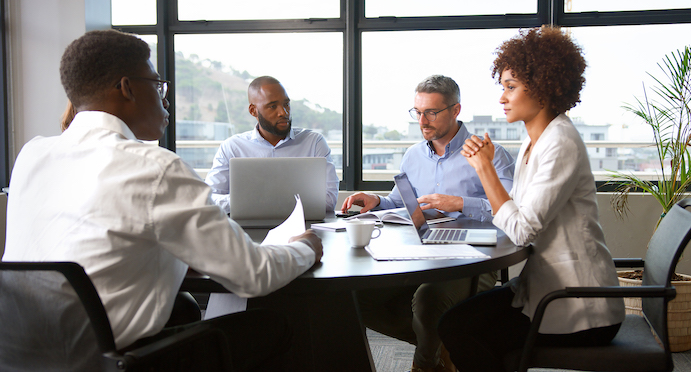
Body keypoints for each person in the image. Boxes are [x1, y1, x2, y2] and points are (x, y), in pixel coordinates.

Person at [3, 30, 323, 371]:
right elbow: (254, 275)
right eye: (158, 86)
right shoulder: (154, 166)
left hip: (21, 354)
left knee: (183, 306)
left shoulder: (32, 154)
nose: (165, 100)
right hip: (115, 361)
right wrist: (305, 247)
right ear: (127, 88)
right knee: (272, 326)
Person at [438, 26, 625, 372]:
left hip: (580, 307)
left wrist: (485, 171)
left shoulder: (561, 143)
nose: (502, 97)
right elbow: (518, 216)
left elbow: (522, 230)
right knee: (453, 323)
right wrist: (490, 168)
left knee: (462, 331)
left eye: (511, 87)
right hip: (542, 289)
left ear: (542, 88)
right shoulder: (532, 142)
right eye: (503, 87)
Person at [342, 75, 515, 372]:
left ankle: (425, 364)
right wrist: (375, 200)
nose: (422, 120)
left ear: (456, 110)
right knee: (356, 296)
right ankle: (442, 344)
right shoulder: (413, 155)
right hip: (418, 252)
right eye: (417, 112)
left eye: (431, 112)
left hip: (473, 257)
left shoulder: (491, 154)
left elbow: (510, 210)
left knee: (428, 300)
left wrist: (459, 203)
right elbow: (401, 201)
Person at [205, 76, 339, 214]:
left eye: (286, 104)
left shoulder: (314, 142)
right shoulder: (232, 148)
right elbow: (209, 199)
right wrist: (249, 201)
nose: (283, 112)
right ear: (253, 111)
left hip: (304, 228)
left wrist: (260, 202)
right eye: (272, 106)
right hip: (246, 230)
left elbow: (329, 200)